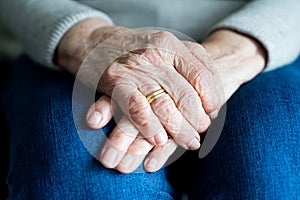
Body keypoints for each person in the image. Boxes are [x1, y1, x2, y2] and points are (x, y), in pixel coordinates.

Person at [0, 0, 299, 199]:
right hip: (69, 42)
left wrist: (237, 50)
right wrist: (88, 39)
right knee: (82, 183)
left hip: (263, 40)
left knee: (269, 176)